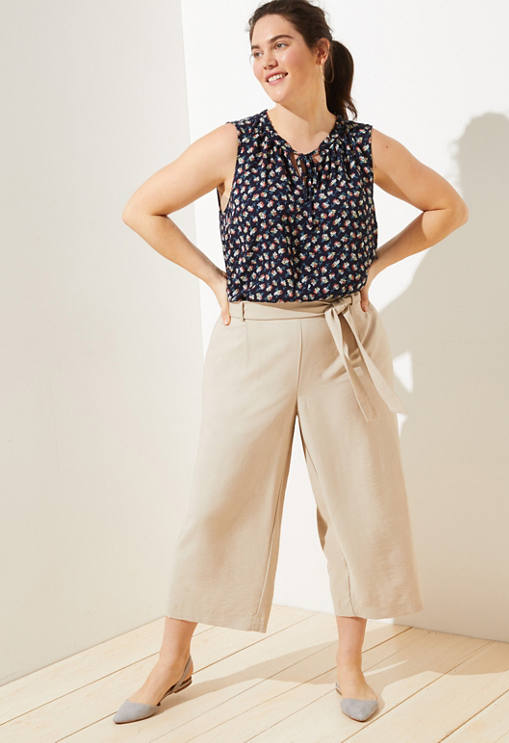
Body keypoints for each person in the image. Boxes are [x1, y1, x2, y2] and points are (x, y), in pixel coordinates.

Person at [114, 0, 468, 726]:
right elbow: (141, 209)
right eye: (255, 51)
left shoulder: (365, 147)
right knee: (218, 499)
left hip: (343, 341)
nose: (266, 61)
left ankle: (349, 663)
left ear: (320, 51)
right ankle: (172, 657)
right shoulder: (232, 143)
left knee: (356, 503)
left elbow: (445, 208)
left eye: (279, 45)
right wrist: (215, 281)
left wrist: (374, 265)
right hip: (254, 340)